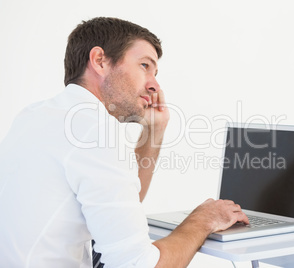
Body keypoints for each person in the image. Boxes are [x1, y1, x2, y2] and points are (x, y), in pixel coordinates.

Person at [0, 17, 249, 267]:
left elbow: (115, 210)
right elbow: (138, 265)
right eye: (144, 65)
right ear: (99, 61)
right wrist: (204, 219)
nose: (155, 85)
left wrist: (154, 130)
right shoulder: (95, 129)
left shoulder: (35, 115)